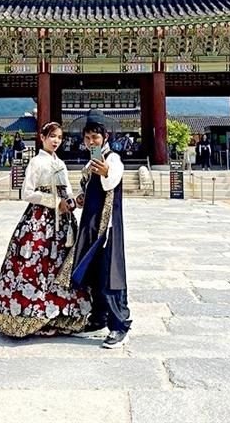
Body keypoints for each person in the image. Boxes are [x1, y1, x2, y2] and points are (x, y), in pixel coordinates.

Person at [0, 121, 91, 338]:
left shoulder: (61, 164)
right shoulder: (36, 162)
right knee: (34, 264)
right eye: (52, 136)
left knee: (61, 268)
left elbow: (68, 191)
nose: (56, 141)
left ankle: (58, 314)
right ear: (42, 138)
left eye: (59, 137)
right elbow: (27, 192)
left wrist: (75, 201)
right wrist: (55, 202)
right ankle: (27, 313)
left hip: (63, 222)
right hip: (40, 221)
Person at [71, 114, 132, 349]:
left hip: (107, 226)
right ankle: (99, 318)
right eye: (87, 138)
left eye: (95, 136)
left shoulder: (113, 158)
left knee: (110, 274)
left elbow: (112, 180)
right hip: (91, 223)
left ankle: (120, 325)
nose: (91, 141)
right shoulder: (89, 162)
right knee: (93, 272)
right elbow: (88, 192)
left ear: (105, 137)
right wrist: (80, 198)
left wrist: (105, 171)